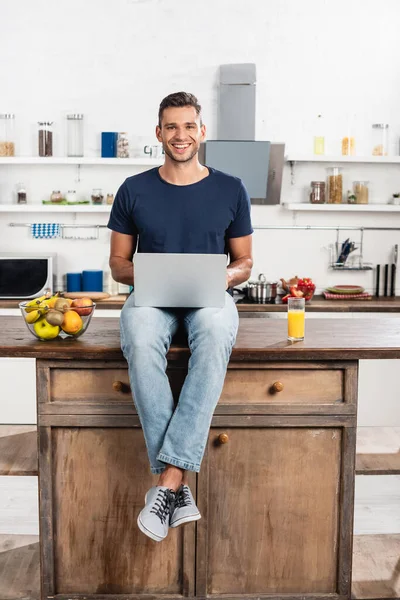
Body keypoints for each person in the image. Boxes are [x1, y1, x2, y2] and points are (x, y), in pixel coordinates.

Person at [107, 91, 253, 542]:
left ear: (202, 132)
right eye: (171, 126)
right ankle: (180, 483)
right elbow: (117, 262)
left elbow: (245, 261)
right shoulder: (134, 189)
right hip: (151, 295)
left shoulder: (230, 188)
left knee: (213, 332)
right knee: (137, 330)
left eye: (189, 126)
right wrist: (147, 273)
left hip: (211, 295)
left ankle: (169, 482)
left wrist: (219, 277)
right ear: (159, 133)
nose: (180, 135)